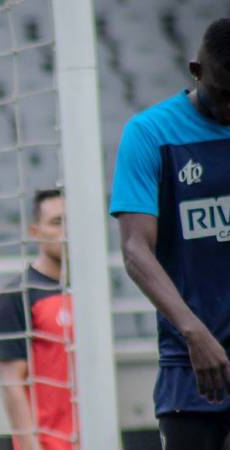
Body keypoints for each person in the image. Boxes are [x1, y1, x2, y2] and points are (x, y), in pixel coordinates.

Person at [111, 17, 230, 450]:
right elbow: (134, 248)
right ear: (196, 72)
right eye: (223, 94)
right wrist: (194, 331)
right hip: (193, 367)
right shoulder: (150, 134)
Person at [0, 189, 75, 450]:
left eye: (70, 221)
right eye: (56, 222)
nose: (66, 230)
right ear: (35, 231)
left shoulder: (89, 291)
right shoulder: (17, 295)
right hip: (50, 444)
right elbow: (12, 381)